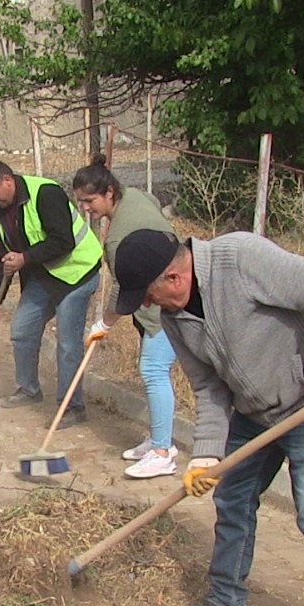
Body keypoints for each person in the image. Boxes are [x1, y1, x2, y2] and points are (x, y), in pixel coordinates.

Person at [111, 228, 304, 606]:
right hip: (253, 412)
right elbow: (208, 386)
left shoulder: (240, 259)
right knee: (232, 499)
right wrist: (206, 454)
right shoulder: (174, 316)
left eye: (147, 294)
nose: (147, 306)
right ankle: (226, 601)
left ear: (173, 277)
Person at [73, 157, 180, 479]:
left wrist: (104, 323)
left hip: (169, 299)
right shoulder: (135, 194)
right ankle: (159, 440)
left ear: (108, 193)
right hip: (161, 292)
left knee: (153, 368)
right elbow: (154, 203)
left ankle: (163, 453)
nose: (86, 209)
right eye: (81, 203)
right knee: (153, 369)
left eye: (90, 202)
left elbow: (123, 286)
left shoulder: (120, 239)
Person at [0, 159, 103, 427]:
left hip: (77, 274)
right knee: (21, 330)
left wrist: (25, 258)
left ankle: (71, 407)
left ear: (7, 181)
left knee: (68, 344)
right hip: (45, 276)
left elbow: (63, 241)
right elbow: (3, 255)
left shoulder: (46, 193)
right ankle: (29, 389)